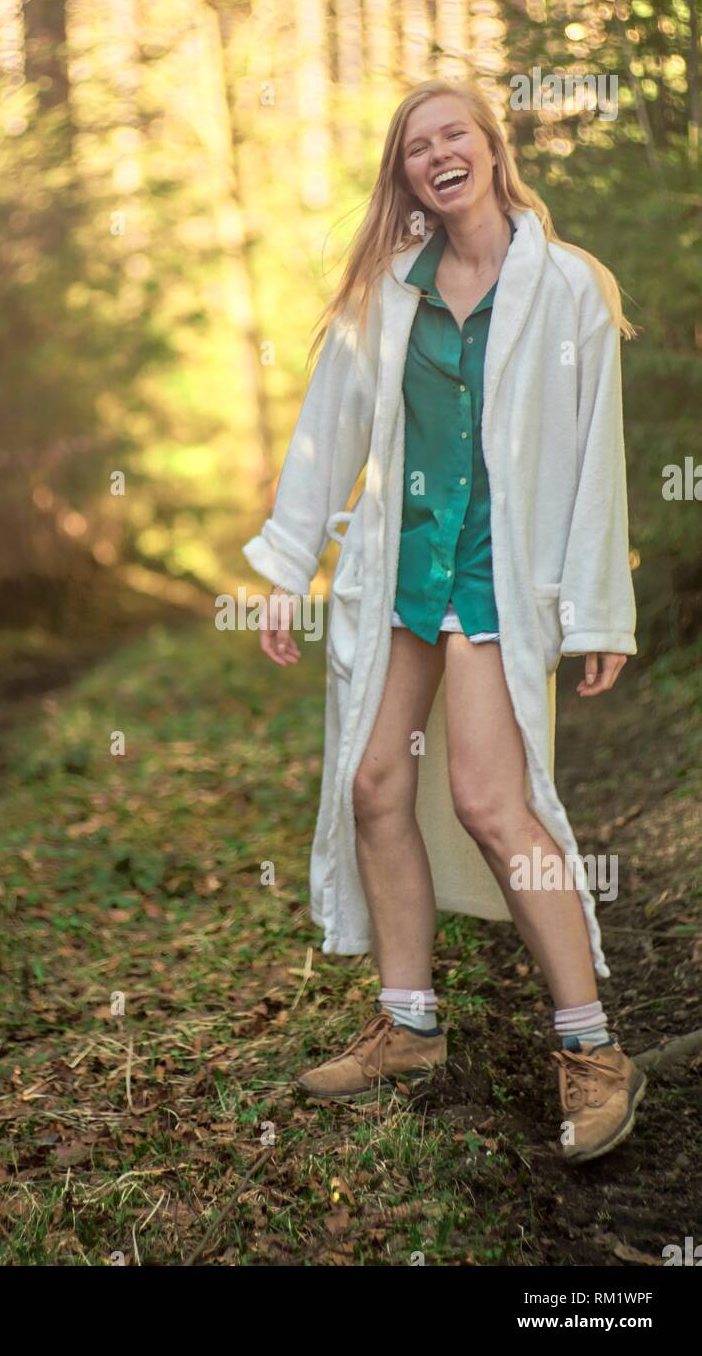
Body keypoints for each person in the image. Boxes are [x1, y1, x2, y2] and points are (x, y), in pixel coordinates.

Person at [241, 79, 644, 1165]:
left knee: (487, 798)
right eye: (416, 146)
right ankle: (408, 1026)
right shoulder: (388, 292)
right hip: (403, 575)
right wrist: (288, 564)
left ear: (489, 147)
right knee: (373, 784)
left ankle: (593, 1048)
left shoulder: (566, 289)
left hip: (499, 580)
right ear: (405, 175)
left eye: (452, 132)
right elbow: (326, 433)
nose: (436, 154)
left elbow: (598, 454)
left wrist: (600, 604)